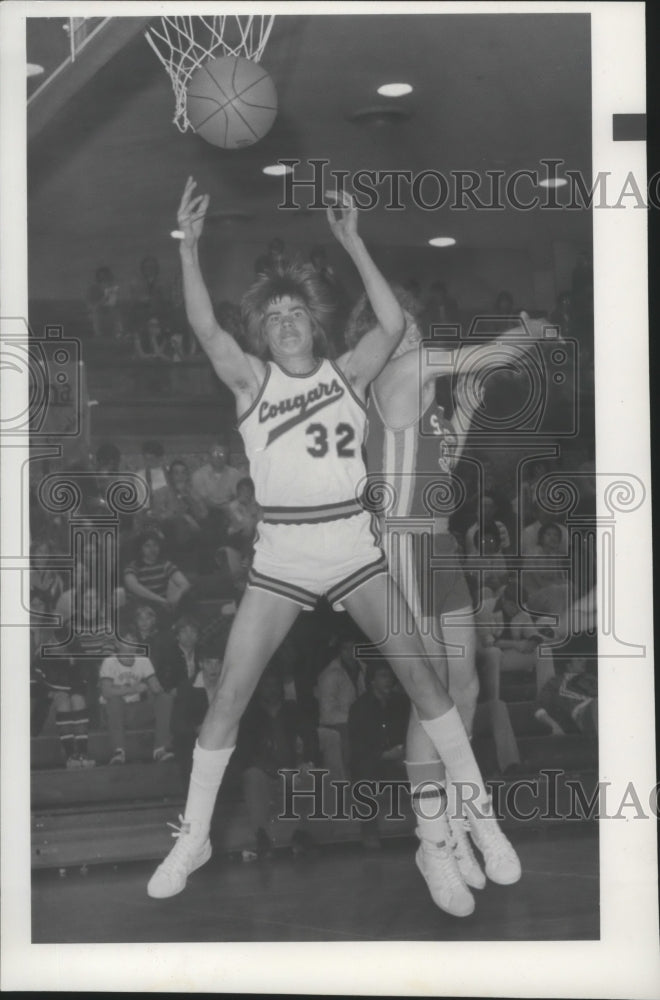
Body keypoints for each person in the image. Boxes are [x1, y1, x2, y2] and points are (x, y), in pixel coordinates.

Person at [146, 176, 519, 920]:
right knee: (229, 697)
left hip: (353, 548)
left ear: (315, 329)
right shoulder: (249, 382)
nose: (285, 322)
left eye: (296, 313)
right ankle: (193, 838)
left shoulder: (351, 376)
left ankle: (475, 812)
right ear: (265, 332)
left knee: (429, 683)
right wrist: (190, 251)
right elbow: (207, 332)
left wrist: (353, 240)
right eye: (274, 315)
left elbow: (387, 320)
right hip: (282, 557)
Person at [350, 289, 532, 906]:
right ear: (380, 339)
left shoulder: (419, 400)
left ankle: (453, 826)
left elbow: (442, 471)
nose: (415, 339)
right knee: (431, 701)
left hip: (438, 546)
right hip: (404, 550)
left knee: (466, 689)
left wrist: (468, 415)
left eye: (415, 329)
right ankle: (439, 839)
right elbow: (479, 355)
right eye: (402, 331)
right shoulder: (398, 375)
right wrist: (525, 336)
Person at [348, 662, 408, 848]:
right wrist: (382, 755)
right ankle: (369, 832)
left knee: (423, 767)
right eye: (383, 676)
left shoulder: (402, 703)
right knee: (363, 774)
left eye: (390, 676)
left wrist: (402, 752)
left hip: (399, 758)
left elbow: (410, 732)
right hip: (373, 761)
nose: (388, 680)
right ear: (372, 680)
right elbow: (357, 745)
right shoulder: (359, 707)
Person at [99, 631, 175, 765]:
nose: (130, 645)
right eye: (126, 641)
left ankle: (160, 749)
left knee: (165, 698)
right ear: (117, 643)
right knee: (115, 700)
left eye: (133, 641)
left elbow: (156, 688)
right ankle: (119, 752)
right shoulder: (110, 661)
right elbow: (106, 692)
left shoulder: (143, 661)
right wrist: (133, 689)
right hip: (114, 713)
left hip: (138, 710)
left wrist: (154, 687)